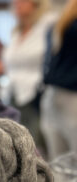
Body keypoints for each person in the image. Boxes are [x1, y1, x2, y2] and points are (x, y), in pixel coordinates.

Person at [2, 0, 54, 153]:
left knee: (35, 145)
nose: (17, 3)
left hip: (37, 94)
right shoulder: (16, 31)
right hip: (13, 93)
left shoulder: (48, 24)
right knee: (14, 143)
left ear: (36, 4)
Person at [41, 0, 77, 160]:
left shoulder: (62, 22)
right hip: (63, 94)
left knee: (59, 158)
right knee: (59, 158)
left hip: (58, 93)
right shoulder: (64, 22)